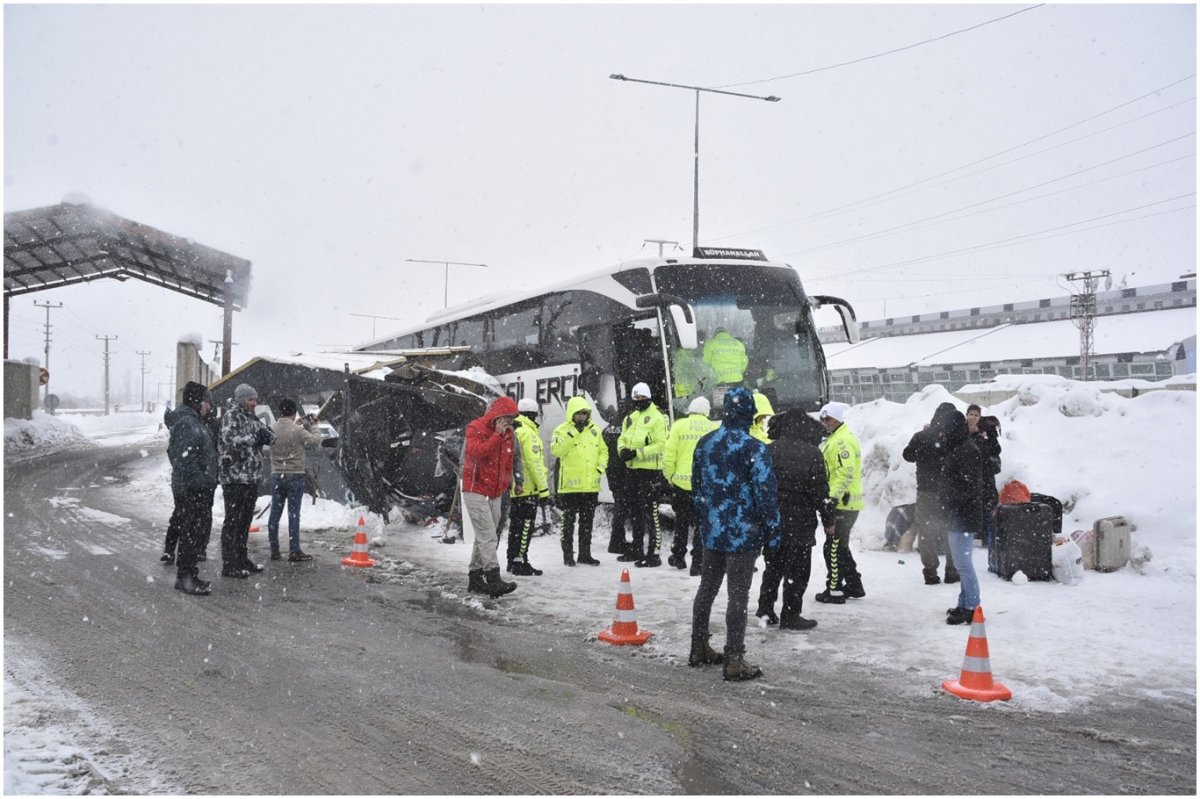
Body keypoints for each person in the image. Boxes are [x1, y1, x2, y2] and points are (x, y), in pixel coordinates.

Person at [689, 386, 781, 681]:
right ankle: (734, 658)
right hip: (744, 533)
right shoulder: (755, 448)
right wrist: (773, 532)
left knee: (707, 588)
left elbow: (697, 489)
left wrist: (707, 518)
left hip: (713, 531)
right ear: (750, 413)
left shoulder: (705, 444)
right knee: (738, 595)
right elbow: (766, 495)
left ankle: (699, 645)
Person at [755, 410, 832, 630]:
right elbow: (820, 493)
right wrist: (828, 521)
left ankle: (766, 609)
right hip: (800, 523)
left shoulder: (768, 451)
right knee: (798, 572)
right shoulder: (812, 454)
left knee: (773, 567)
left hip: (772, 521)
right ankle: (790, 615)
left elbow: (759, 487)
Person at [461, 396, 520, 597]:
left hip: (496, 491)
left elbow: (508, 461)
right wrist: (496, 436)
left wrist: (511, 483)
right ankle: (493, 577)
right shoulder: (475, 428)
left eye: (511, 419)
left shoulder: (510, 434)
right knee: (487, 534)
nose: (509, 423)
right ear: (496, 416)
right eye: (506, 418)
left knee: (486, 534)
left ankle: (475, 577)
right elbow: (477, 453)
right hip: (475, 488)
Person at [218, 383, 275, 578]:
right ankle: (229, 563)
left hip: (251, 477)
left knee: (244, 521)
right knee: (233, 522)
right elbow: (230, 439)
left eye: (255, 399)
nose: (254, 403)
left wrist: (268, 436)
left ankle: (241, 558)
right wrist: (253, 438)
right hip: (235, 477)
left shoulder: (252, 417)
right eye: (251, 399)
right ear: (242, 400)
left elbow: (268, 435)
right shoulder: (231, 416)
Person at [167, 381, 219, 595]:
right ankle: (185, 577)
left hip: (195, 487)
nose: (209, 406)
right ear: (198, 401)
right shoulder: (188, 423)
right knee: (189, 532)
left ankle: (189, 573)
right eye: (207, 401)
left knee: (193, 531)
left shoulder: (194, 421)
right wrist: (201, 480)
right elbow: (182, 458)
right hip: (191, 488)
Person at [902, 402, 960, 586]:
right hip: (950, 493)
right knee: (950, 530)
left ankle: (930, 572)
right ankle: (951, 571)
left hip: (926, 491)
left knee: (926, 531)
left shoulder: (922, 436)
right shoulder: (955, 439)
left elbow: (907, 455)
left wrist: (923, 445)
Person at [936, 409, 985, 625]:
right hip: (958, 513)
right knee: (961, 562)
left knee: (963, 564)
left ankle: (972, 607)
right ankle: (965, 602)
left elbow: (970, 486)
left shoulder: (966, 449)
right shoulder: (959, 446)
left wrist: (950, 499)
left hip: (964, 514)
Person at [815, 402, 865, 604]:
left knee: (833, 547)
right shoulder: (835, 438)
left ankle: (834, 589)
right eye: (823, 419)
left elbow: (845, 472)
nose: (825, 423)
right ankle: (854, 584)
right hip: (843, 502)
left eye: (828, 419)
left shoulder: (842, 441)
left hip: (843, 503)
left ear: (837, 419)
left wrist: (831, 498)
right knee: (840, 546)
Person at [662, 396, 718, 573]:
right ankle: (698, 563)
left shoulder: (679, 425)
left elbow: (669, 454)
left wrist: (670, 476)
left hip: (681, 483)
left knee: (681, 522)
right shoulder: (713, 428)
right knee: (702, 525)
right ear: (707, 412)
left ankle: (678, 557)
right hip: (704, 485)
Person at [550, 395, 607, 567]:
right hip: (569, 487)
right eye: (579, 414)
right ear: (572, 414)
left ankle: (585, 554)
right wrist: (573, 432)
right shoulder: (561, 430)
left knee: (587, 522)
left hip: (590, 487)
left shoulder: (595, 430)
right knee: (568, 523)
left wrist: (600, 468)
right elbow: (557, 451)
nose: (582, 417)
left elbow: (604, 451)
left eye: (584, 413)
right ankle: (568, 555)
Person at [616, 382, 668, 568]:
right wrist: (622, 450)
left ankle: (653, 554)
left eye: (642, 399)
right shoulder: (631, 417)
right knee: (635, 511)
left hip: (650, 472)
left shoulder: (658, 418)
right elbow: (622, 437)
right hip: (632, 471)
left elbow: (661, 445)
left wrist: (638, 453)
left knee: (651, 513)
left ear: (649, 398)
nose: (638, 402)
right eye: (635, 399)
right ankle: (637, 548)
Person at [266, 399, 324, 562]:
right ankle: (294, 550)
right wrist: (314, 426)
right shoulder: (297, 430)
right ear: (294, 412)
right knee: (293, 514)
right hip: (295, 475)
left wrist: (295, 424)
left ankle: (274, 549)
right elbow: (315, 441)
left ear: (280, 411)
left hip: (277, 475)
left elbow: (282, 433)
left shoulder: (271, 428)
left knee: (275, 515)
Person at [505, 398, 550, 575]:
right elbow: (534, 464)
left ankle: (512, 560)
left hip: (515, 487)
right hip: (528, 488)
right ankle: (520, 562)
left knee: (515, 526)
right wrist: (544, 489)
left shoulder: (514, 430)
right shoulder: (528, 433)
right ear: (533, 414)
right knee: (525, 527)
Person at [967, 404, 1003, 544]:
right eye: (971, 414)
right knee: (972, 506)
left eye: (976, 415)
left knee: (988, 505)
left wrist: (985, 437)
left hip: (986, 476)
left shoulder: (987, 431)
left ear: (980, 417)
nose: (973, 417)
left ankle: (987, 537)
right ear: (966, 415)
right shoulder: (962, 430)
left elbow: (995, 449)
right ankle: (975, 535)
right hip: (970, 477)